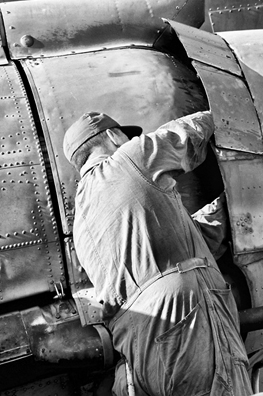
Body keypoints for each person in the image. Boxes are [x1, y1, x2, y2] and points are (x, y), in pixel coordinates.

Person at [63, 110, 252, 396]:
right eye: (126, 135)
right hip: (185, 323)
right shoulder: (128, 159)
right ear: (114, 136)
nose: (133, 139)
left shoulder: (83, 221)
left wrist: (229, 207)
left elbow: (177, 252)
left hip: (140, 348)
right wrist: (229, 112)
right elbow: (185, 133)